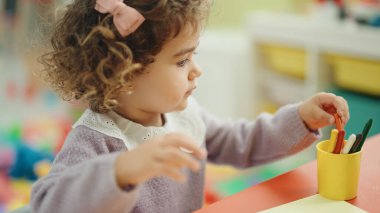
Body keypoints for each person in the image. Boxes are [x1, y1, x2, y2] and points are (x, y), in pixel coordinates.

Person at [31, 0, 350, 212]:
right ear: (123, 73)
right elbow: (48, 204)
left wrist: (301, 118)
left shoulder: (184, 115)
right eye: (182, 60)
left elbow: (243, 141)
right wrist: (119, 172)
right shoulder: (94, 138)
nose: (197, 70)